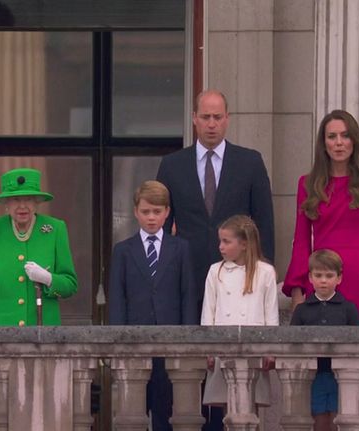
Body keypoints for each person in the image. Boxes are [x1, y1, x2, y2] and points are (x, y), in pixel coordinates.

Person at [157, 89, 274, 429]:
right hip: (187, 281)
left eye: (218, 117)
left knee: (235, 375)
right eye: (205, 117)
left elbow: (264, 224)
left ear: (228, 119)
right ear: (194, 119)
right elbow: (162, 229)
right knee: (190, 369)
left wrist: (262, 276)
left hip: (239, 285)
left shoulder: (250, 162)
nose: (211, 124)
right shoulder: (172, 165)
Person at [283, 109, 359, 416]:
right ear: (323, 143)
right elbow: (300, 240)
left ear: (354, 140)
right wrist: (297, 288)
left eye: (345, 136)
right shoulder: (307, 184)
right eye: (332, 136)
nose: (339, 143)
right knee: (319, 362)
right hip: (319, 278)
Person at [0, 167, 78, 419]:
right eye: (16, 199)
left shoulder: (54, 229)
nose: (23, 206)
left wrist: (49, 279)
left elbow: (70, 284)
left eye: (29, 199)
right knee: (3, 415)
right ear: (6, 204)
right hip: (0, 343)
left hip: (43, 341)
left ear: (37, 202)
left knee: (42, 413)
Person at [108, 180, 198, 431]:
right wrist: (117, 340)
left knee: (165, 409)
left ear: (167, 212)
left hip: (170, 341)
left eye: (157, 212)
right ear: (135, 211)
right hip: (133, 340)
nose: (151, 218)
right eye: (145, 211)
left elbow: (187, 295)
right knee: (132, 411)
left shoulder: (180, 248)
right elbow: (117, 298)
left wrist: (188, 340)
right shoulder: (123, 250)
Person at [200, 215, 278, 421]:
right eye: (220, 241)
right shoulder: (215, 271)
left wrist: (271, 350)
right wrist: (208, 349)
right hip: (222, 345)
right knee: (227, 406)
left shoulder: (265, 272)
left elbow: (271, 314)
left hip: (255, 346)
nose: (221, 247)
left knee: (252, 407)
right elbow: (208, 312)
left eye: (226, 241)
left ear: (244, 244)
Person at [290, 249, 359, 431]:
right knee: (319, 421)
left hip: (342, 375)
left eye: (329, 276)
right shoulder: (302, 310)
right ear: (310, 277)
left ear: (339, 278)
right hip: (313, 375)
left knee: (340, 420)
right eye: (318, 275)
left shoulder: (348, 309)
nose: (323, 280)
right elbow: (292, 343)